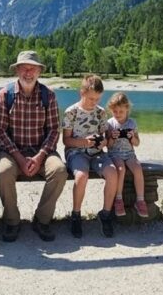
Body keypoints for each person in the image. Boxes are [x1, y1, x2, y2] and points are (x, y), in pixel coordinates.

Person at [0, 50, 67, 242]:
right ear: (17, 70)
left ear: (39, 72)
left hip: (40, 152)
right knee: (3, 172)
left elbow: (53, 130)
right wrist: (18, 157)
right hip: (11, 152)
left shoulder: (48, 96)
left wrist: (39, 156)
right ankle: (12, 221)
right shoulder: (5, 95)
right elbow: (0, 131)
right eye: (24, 68)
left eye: (32, 69)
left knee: (59, 171)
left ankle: (42, 220)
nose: (28, 72)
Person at [62, 75, 117, 238]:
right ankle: (76, 215)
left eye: (97, 99)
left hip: (97, 153)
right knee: (81, 176)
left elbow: (104, 137)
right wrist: (84, 143)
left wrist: (103, 142)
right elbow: (66, 140)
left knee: (113, 173)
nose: (94, 103)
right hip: (76, 152)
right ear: (82, 93)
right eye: (91, 98)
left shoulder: (101, 112)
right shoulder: (71, 112)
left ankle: (106, 214)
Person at [105, 92, 149, 219]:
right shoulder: (110, 124)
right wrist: (112, 137)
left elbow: (137, 143)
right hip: (115, 154)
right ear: (111, 110)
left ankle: (140, 200)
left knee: (138, 169)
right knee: (121, 169)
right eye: (115, 111)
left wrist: (132, 137)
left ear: (127, 109)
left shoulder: (132, 123)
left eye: (121, 111)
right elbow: (108, 145)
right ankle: (118, 199)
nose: (118, 114)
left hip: (129, 154)